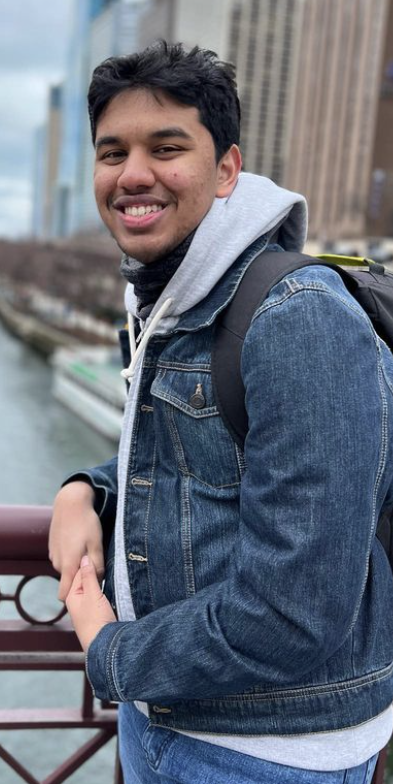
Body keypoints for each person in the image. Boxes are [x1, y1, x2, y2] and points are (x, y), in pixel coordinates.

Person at [48, 41, 393, 783]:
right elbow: (197, 453)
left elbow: (296, 609)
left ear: (227, 168)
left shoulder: (297, 317)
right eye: (113, 152)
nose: (133, 174)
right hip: (171, 718)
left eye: (166, 148)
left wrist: (111, 654)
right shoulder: (176, 297)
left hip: (268, 752)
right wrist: (87, 490)